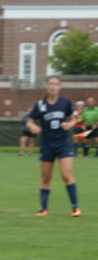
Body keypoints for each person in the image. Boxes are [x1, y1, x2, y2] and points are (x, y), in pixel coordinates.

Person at [27, 76, 80, 217]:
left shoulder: (65, 103)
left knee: (66, 174)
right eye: (50, 84)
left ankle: (75, 208)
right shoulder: (40, 104)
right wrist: (32, 126)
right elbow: (30, 121)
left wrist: (70, 124)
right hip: (47, 145)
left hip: (63, 143)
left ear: (59, 87)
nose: (53, 87)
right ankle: (43, 209)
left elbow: (74, 119)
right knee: (46, 177)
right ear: (46, 86)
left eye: (56, 84)